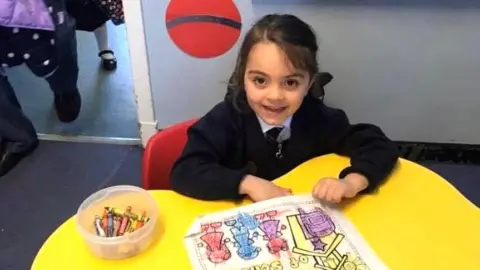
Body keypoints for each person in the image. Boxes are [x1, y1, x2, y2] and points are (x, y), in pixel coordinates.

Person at [169, 14, 399, 203]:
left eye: (290, 83)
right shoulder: (225, 120)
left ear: (308, 84)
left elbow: (377, 144)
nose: (275, 96)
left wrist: (352, 182)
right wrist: (246, 183)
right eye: (260, 80)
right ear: (243, 78)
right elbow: (185, 171)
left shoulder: (317, 118)